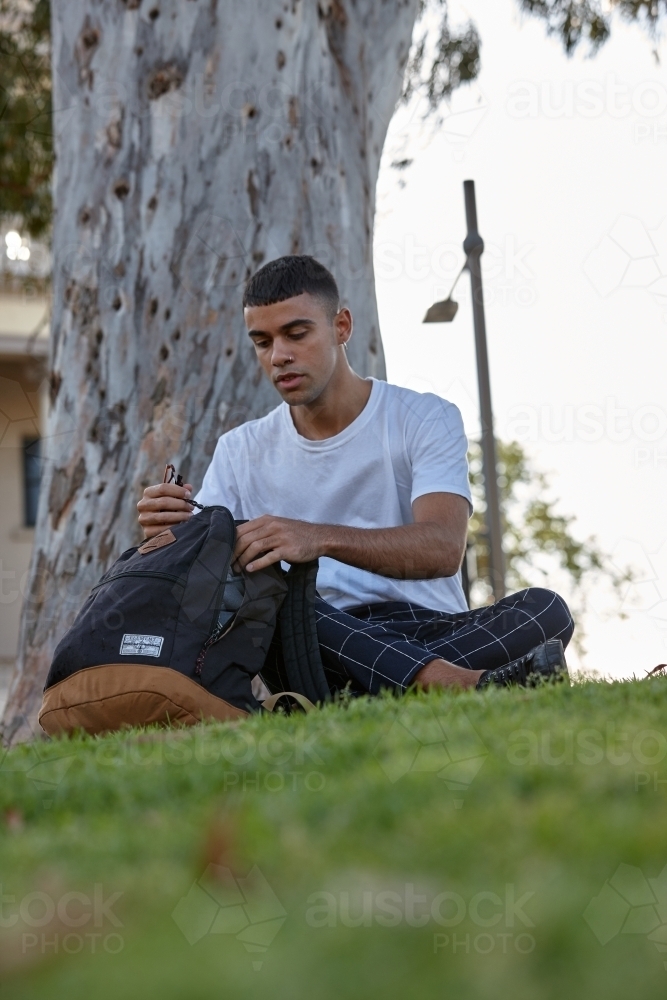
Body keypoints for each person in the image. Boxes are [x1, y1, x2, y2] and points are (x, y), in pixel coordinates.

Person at [137, 255, 574, 696]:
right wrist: (168, 536)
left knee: (546, 610)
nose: (279, 355)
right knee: (277, 595)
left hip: (435, 631)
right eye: (262, 341)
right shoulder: (239, 449)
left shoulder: (423, 417)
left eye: (296, 333)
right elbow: (210, 584)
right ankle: (454, 684)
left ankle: (392, 687)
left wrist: (318, 538)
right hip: (316, 640)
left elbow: (443, 548)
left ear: (341, 326)